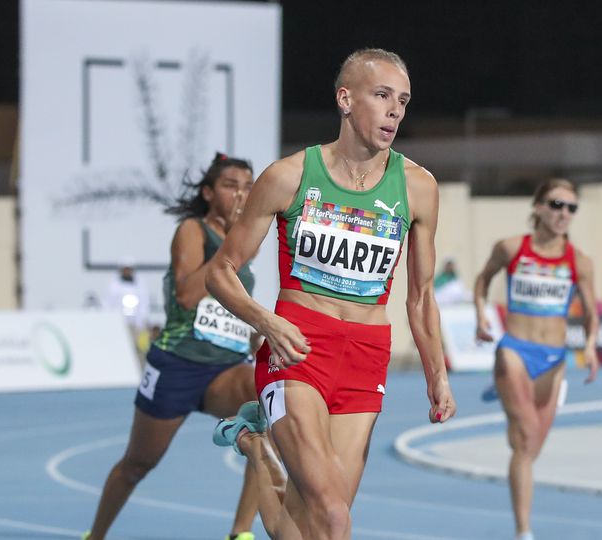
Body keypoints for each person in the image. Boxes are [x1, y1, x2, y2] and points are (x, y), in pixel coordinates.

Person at [204, 48, 456, 540]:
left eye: (402, 101)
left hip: (366, 355)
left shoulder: (418, 187)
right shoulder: (288, 176)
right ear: (345, 98)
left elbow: (421, 296)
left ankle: (255, 445)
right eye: (382, 95)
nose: (395, 111)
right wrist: (267, 322)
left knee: (313, 528)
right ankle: (261, 437)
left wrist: (437, 374)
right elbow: (221, 271)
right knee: (336, 518)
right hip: (298, 348)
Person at [83, 153, 261, 540]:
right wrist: (230, 246)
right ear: (209, 193)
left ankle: (241, 532)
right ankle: (94, 535)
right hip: (178, 364)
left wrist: (261, 342)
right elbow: (186, 295)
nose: (241, 194)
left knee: (269, 414)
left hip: (227, 366)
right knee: (138, 464)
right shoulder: (193, 231)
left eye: (248, 186)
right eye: (232, 186)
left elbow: (239, 305)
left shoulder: (247, 242)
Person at [472, 178, 599, 540]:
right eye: (557, 205)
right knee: (525, 434)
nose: (564, 214)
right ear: (539, 208)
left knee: (529, 450)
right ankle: (523, 531)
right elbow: (482, 280)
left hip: (553, 359)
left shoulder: (580, 262)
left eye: (571, 208)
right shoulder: (512, 248)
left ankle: (506, 394)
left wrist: (590, 345)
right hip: (515, 349)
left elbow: (591, 312)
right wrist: (481, 314)